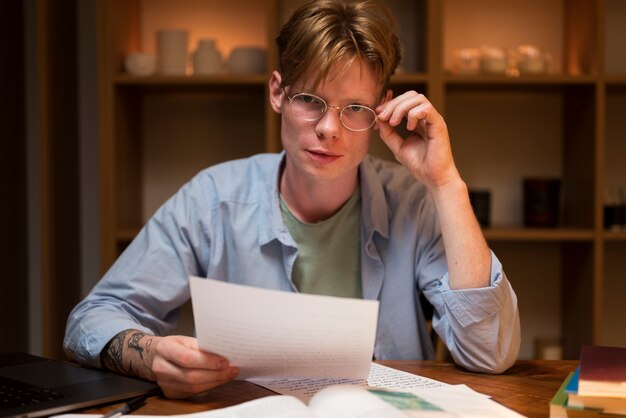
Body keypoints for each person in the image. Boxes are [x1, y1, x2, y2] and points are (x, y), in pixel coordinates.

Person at [64, 0, 520, 399]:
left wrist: (446, 183)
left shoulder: (414, 204)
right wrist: (152, 356)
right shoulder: (214, 199)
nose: (329, 128)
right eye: (310, 100)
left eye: (355, 108)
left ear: (382, 109)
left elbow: (487, 354)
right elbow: (90, 320)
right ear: (278, 92)